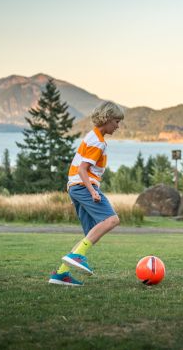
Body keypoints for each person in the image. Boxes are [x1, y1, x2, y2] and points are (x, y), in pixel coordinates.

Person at [49, 101, 124, 286]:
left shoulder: (93, 136)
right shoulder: (97, 142)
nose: (118, 126)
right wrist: (93, 191)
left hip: (75, 187)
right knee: (112, 220)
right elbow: (83, 169)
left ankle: (61, 274)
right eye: (116, 121)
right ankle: (76, 256)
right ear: (106, 119)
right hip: (83, 186)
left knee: (91, 234)